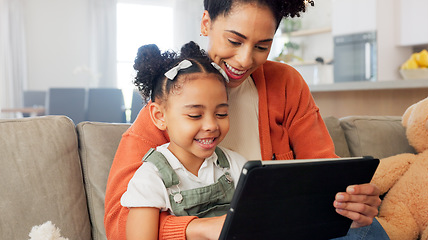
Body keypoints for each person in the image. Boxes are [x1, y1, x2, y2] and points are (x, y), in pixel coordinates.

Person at [105, 0, 388, 239]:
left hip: (282, 225)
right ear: (206, 23)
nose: (244, 60)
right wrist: (200, 227)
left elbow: (324, 169)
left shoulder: (285, 83)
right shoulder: (166, 110)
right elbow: (118, 223)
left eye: (262, 47)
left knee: (365, 228)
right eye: (234, 41)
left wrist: (351, 198)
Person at [120, 41, 247, 240]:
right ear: (160, 116)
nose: (211, 125)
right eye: (195, 115)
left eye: (221, 114)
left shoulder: (236, 166)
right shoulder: (150, 178)